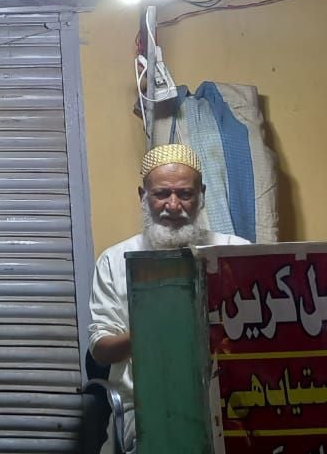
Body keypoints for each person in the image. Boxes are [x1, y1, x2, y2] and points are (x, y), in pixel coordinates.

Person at [88, 144, 250, 453]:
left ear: (201, 195)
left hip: (230, 400)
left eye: (185, 194)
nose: (173, 206)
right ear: (142, 195)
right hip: (148, 406)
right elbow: (101, 350)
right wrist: (159, 327)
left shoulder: (233, 252)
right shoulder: (115, 259)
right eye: (161, 194)